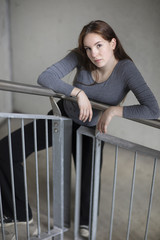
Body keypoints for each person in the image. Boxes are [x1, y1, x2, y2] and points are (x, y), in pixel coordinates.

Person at [0, 20, 159, 238]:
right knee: (6, 149)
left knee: (89, 182)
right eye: (88, 47)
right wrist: (78, 93)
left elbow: (152, 108)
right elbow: (44, 77)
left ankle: (85, 224)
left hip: (92, 130)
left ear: (113, 43)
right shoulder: (80, 56)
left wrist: (114, 111)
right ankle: (18, 213)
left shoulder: (126, 69)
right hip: (63, 117)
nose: (93, 53)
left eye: (99, 45)